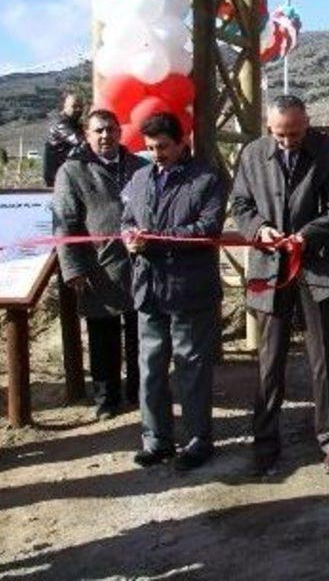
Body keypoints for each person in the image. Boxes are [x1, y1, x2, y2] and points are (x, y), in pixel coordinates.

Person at [230, 95, 329, 476]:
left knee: (324, 357)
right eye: (280, 135)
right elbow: (240, 205)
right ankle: (265, 440)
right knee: (269, 359)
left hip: (317, 267)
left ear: (307, 122)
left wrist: (307, 235)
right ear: (269, 128)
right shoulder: (252, 154)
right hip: (268, 269)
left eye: (295, 134)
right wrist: (259, 230)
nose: (287, 142)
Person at [122, 112, 227, 472]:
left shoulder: (206, 178)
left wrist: (156, 238)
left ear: (182, 142)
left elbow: (208, 227)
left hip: (189, 290)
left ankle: (198, 441)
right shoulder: (139, 178)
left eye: (163, 147)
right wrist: (130, 238)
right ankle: (156, 440)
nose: (157, 154)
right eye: (150, 148)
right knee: (150, 369)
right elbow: (127, 220)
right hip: (148, 289)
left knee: (191, 369)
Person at [53, 109, 147, 419]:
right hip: (98, 267)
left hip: (140, 264)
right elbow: (65, 223)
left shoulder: (140, 166)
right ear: (87, 134)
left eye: (110, 129)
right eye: (98, 130)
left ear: (120, 132)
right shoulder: (72, 171)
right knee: (102, 336)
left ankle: (140, 392)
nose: (105, 135)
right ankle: (107, 399)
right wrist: (73, 269)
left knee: (140, 334)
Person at [43, 91, 85, 187]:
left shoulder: (75, 123)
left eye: (80, 106)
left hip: (70, 174)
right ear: (64, 106)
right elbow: (79, 141)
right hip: (57, 177)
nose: (78, 109)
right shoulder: (59, 123)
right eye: (74, 106)